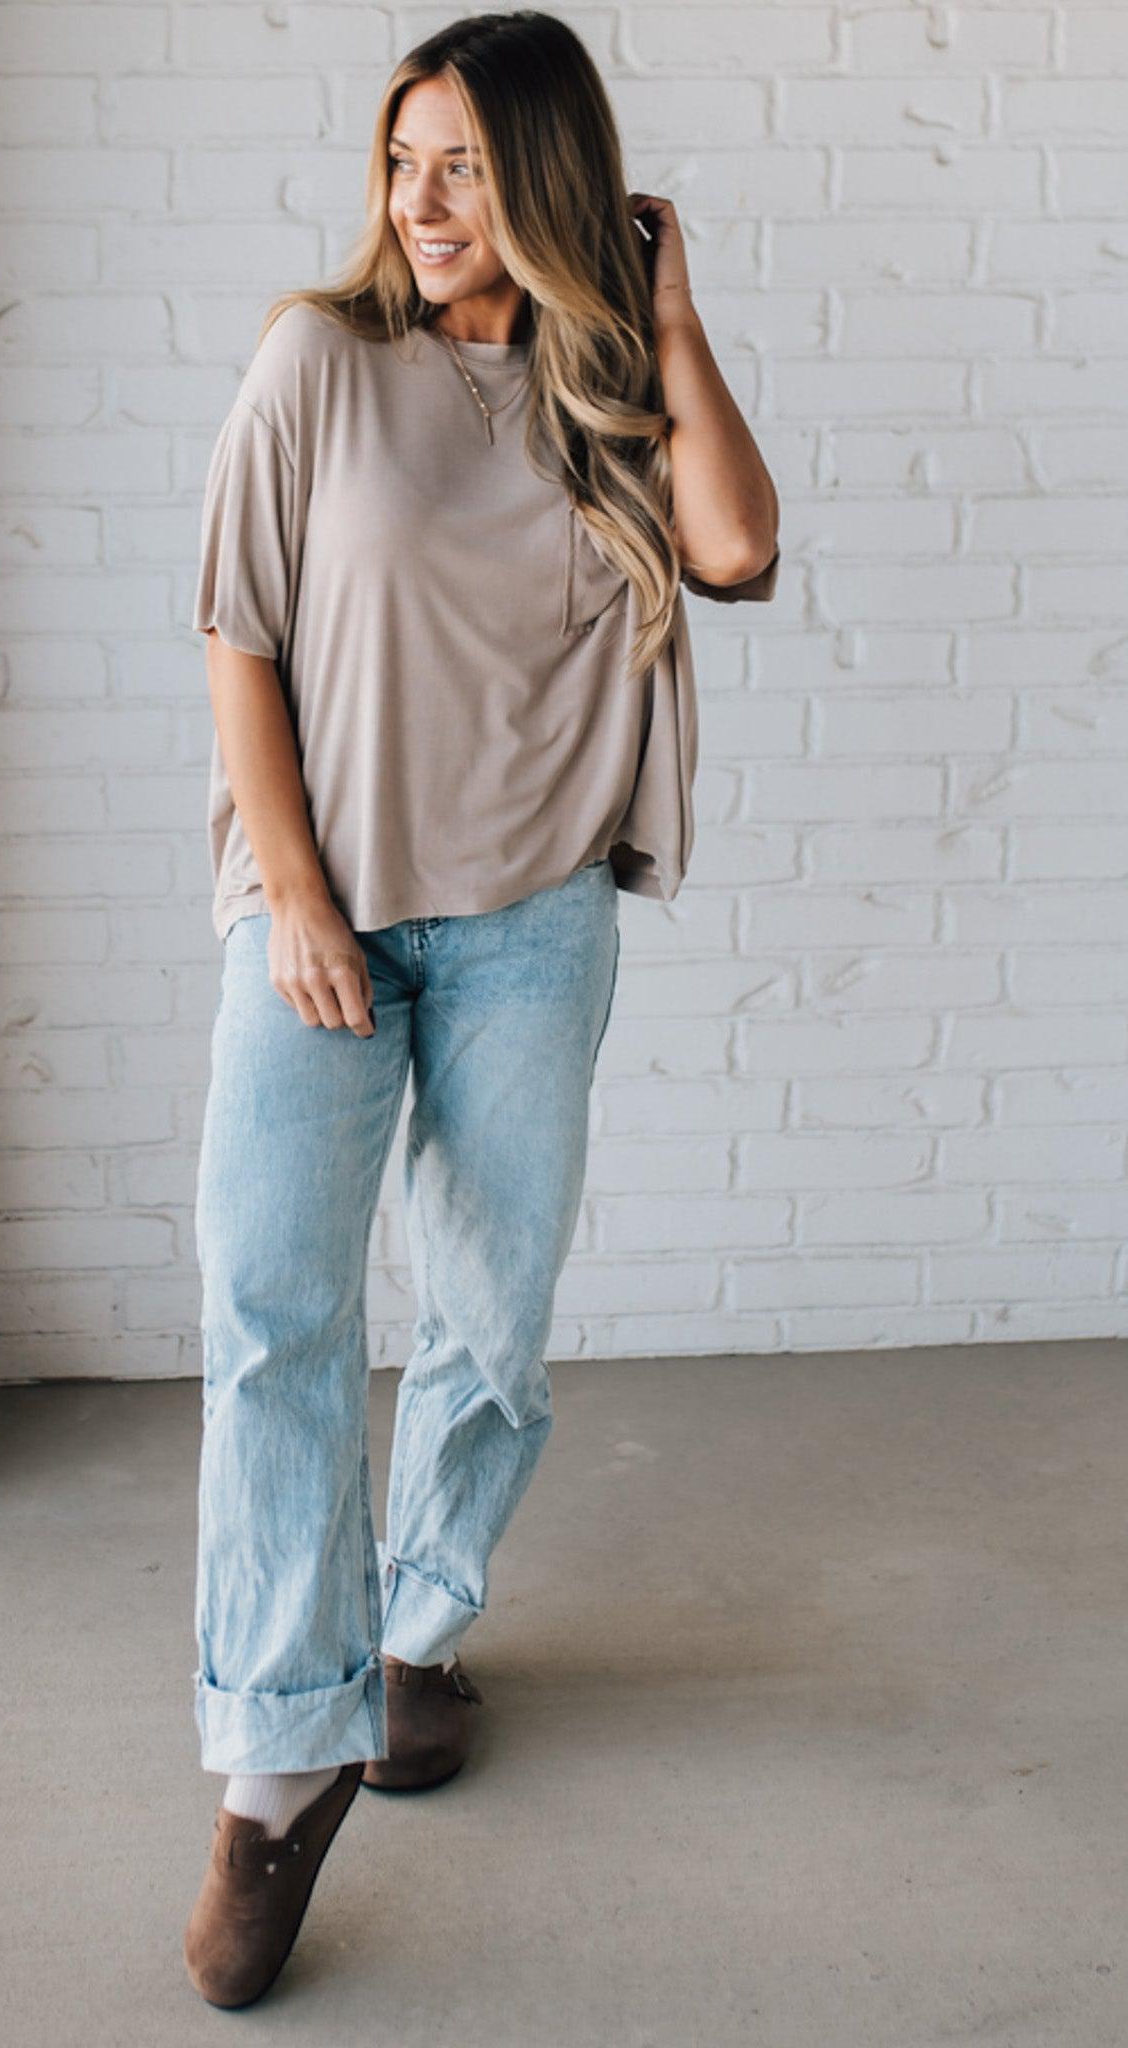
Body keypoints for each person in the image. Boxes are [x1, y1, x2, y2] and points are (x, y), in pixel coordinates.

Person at [183, 8, 779, 2009]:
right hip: (322, 923)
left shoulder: (598, 396)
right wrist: (290, 897)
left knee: (488, 1320)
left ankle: (417, 1628)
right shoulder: (314, 362)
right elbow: (237, 634)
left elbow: (737, 543)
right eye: (399, 160)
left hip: (530, 924)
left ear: (539, 178)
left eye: (459, 166)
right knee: (272, 1306)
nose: (418, 203)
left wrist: (665, 311)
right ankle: (272, 1769)